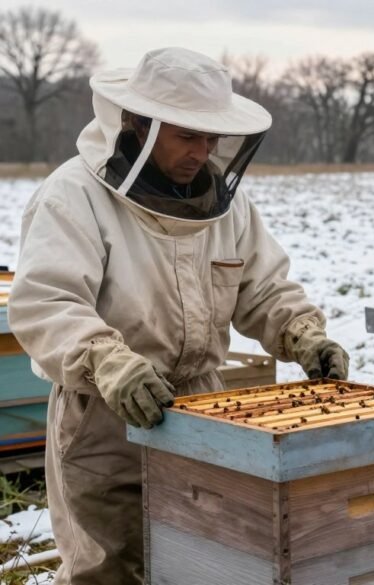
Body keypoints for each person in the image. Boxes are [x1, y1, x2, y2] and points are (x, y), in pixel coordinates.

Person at [8, 47, 349, 584]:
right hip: (104, 409)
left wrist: (302, 332)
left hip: (203, 402)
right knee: (112, 566)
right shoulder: (73, 196)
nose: (202, 151)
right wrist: (107, 360)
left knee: (206, 560)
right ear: (141, 126)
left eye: (210, 137)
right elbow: (45, 303)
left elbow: (262, 286)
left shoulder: (226, 204)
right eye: (187, 136)